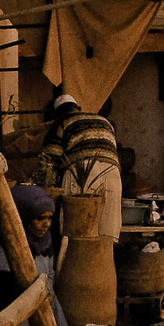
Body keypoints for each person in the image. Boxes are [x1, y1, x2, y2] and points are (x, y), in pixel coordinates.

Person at [0, 184, 72, 326]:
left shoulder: (44, 243)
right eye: (40, 218)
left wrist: (46, 293)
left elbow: (50, 273)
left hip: (44, 307)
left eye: (49, 218)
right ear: (22, 217)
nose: (46, 224)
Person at [42, 92, 122, 241]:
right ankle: (105, 263)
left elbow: (49, 160)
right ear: (77, 107)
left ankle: (70, 263)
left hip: (82, 171)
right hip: (112, 172)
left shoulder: (61, 122)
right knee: (107, 232)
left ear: (57, 113)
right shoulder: (104, 121)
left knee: (76, 230)